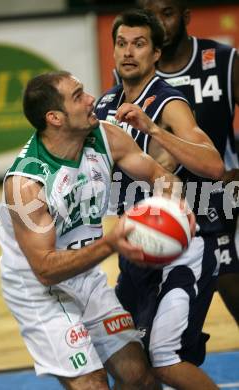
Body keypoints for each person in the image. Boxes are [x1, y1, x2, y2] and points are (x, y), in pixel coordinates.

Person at [0, 70, 190, 390]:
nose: (92, 100)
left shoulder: (106, 137)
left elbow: (157, 174)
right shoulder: (27, 183)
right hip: (38, 291)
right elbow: (44, 269)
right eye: (79, 96)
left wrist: (179, 207)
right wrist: (112, 242)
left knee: (140, 378)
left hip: (85, 276)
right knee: (93, 384)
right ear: (55, 118)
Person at [95, 9, 224, 390]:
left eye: (139, 44)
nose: (128, 52)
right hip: (137, 250)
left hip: (179, 246)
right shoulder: (105, 104)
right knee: (130, 368)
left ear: (155, 53)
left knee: (165, 361)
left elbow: (214, 166)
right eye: (121, 44)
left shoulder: (170, 103)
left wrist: (152, 129)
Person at [141, 0, 239, 326]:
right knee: (157, 324)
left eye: (165, 14)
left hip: (224, 203)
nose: (157, 23)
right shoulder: (137, 73)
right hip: (169, 210)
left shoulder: (224, 61)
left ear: (185, 16)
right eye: (149, 16)